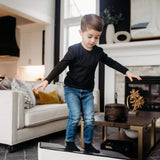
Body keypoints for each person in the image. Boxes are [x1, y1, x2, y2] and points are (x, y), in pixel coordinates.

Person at [33, 14, 141, 153]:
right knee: (75, 116)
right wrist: (47, 80)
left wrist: (127, 72)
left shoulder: (98, 52)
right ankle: (70, 143)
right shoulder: (74, 50)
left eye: (96, 37)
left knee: (89, 119)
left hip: (87, 91)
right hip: (71, 89)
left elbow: (111, 62)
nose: (93, 40)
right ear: (81, 33)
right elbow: (61, 65)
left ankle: (88, 144)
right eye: (90, 36)